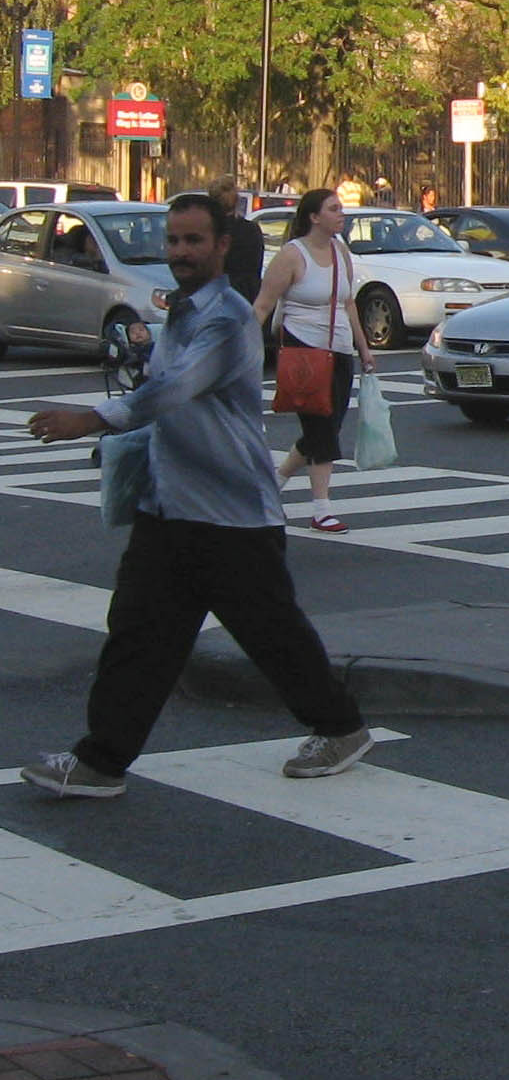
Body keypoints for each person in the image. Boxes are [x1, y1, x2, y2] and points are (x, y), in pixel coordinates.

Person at [18, 192, 374, 799]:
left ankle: (340, 727)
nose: (181, 252)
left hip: (231, 513)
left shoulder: (226, 317)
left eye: (193, 241)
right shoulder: (181, 311)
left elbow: (172, 392)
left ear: (221, 246)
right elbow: (159, 385)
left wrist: (93, 419)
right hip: (170, 507)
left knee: (272, 633)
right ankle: (101, 761)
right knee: (137, 634)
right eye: (174, 241)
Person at [253, 188, 375, 532]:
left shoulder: (341, 251)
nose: (342, 214)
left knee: (330, 425)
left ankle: (272, 483)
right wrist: (242, 346)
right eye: (334, 209)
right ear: (314, 217)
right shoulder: (292, 255)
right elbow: (263, 304)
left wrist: (363, 349)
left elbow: (349, 303)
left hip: (338, 349)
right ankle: (321, 509)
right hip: (302, 348)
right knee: (320, 427)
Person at [209, 176, 267, 306]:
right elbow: (256, 267)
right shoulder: (251, 230)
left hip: (214, 298)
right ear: (236, 201)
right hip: (246, 298)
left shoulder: (207, 231)